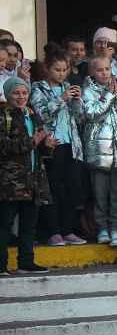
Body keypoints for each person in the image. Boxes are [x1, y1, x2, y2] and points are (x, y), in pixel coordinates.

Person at [30, 51, 87, 246]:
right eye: (57, 69)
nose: (62, 74)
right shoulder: (38, 88)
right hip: (52, 144)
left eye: (65, 70)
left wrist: (78, 101)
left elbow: (80, 118)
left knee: (72, 189)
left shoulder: (68, 87)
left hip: (72, 145)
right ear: (47, 69)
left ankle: (67, 230)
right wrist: (61, 98)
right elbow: (41, 115)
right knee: (53, 189)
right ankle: (53, 232)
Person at [0, 76, 56, 274]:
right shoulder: (3, 117)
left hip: (33, 181)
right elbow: (4, 146)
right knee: (4, 225)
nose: (21, 97)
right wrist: (33, 141)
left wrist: (47, 146)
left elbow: (40, 148)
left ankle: (26, 262)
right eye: (16, 93)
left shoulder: (32, 115)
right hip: (11, 182)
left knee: (29, 225)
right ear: (8, 95)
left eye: (24, 93)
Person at [81, 55, 117, 248]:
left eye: (107, 69)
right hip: (98, 150)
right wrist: (109, 96)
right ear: (92, 72)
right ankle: (102, 227)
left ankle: (116, 229)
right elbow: (91, 114)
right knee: (100, 193)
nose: (104, 73)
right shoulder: (88, 91)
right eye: (100, 70)